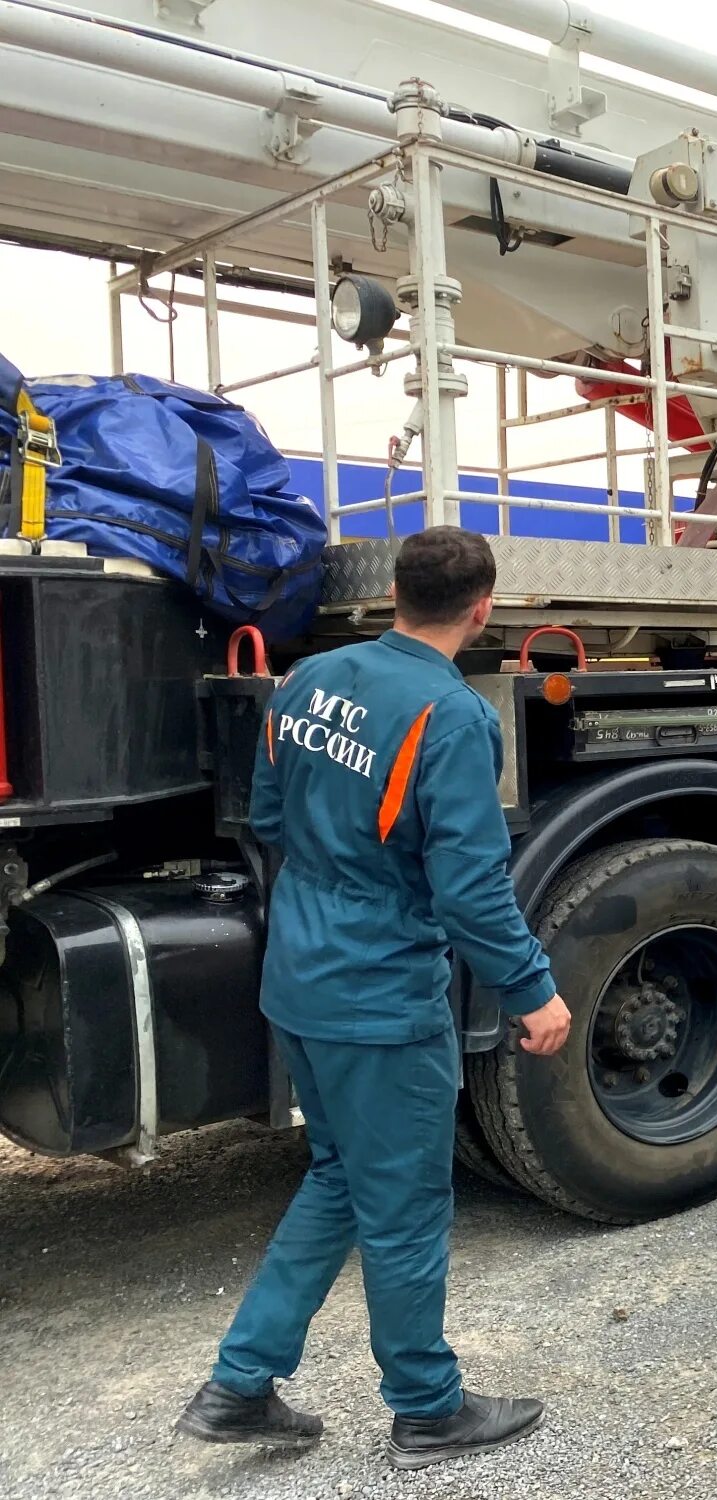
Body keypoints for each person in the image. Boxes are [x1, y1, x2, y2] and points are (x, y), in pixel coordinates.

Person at [175, 527, 573, 1469]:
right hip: (380, 992)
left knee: (341, 1177)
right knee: (403, 1206)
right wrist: (533, 990)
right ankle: (428, 1407)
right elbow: (470, 888)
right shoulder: (453, 716)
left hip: (301, 978)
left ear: (391, 594)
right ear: (484, 607)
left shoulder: (308, 682)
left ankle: (240, 1383)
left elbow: (268, 815)